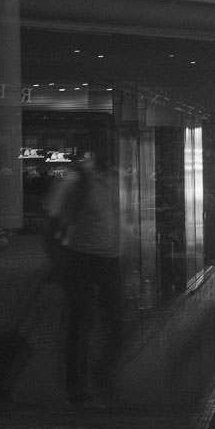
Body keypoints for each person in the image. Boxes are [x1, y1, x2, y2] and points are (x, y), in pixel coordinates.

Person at [51, 153, 123, 409]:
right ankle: (77, 388)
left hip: (110, 259)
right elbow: (55, 221)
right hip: (81, 259)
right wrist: (58, 261)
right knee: (80, 322)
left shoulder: (118, 178)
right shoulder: (79, 180)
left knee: (119, 322)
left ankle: (101, 374)